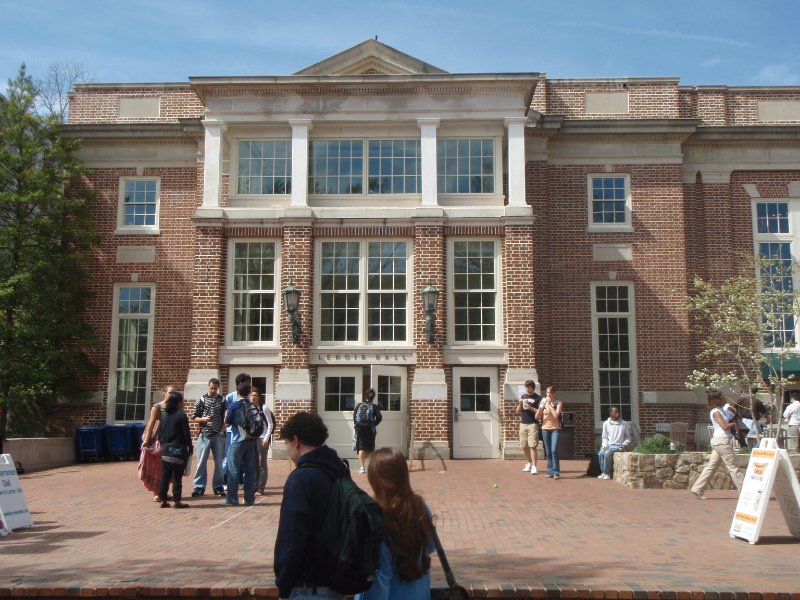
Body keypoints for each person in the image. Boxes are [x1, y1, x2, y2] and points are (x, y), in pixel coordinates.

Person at [274, 411, 349, 600]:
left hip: (307, 585)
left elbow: (292, 538)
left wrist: (283, 584)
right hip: (337, 581)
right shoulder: (339, 470)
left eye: (287, 443)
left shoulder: (300, 479)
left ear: (296, 441)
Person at [354, 447, 434, 600]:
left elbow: (379, 582)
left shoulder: (377, 519)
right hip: (419, 593)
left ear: (376, 480)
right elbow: (430, 546)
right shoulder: (420, 506)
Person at [690, 390, 745, 500]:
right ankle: (746, 492)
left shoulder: (721, 410)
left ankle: (697, 489)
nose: (724, 398)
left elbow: (732, 415)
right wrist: (735, 424)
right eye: (722, 397)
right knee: (733, 467)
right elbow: (724, 427)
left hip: (719, 442)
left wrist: (732, 410)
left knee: (711, 466)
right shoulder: (715, 412)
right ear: (717, 400)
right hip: (722, 442)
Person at [139, 385, 176, 501]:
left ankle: (164, 491)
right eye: (170, 393)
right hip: (159, 438)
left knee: (169, 465)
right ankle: (156, 492)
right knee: (158, 464)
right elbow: (151, 424)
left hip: (171, 438)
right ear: (164, 394)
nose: (172, 395)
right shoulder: (157, 407)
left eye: (174, 393)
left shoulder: (175, 407)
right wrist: (146, 440)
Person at [222, 382, 258, 506]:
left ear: (237, 392)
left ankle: (232, 499)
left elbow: (227, 422)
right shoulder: (252, 406)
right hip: (251, 441)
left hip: (237, 440)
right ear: (248, 393)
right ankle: (249, 498)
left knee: (233, 469)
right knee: (249, 470)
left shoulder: (234, 405)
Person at [190, 377, 227, 497]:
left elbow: (226, 416)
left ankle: (218, 486)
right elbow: (194, 417)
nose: (213, 391)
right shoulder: (202, 399)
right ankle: (199, 486)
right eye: (211, 388)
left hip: (217, 435)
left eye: (215, 388)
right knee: (201, 462)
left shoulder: (222, 400)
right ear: (208, 386)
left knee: (219, 463)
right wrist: (203, 419)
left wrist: (222, 430)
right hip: (204, 435)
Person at [157, 391, 192, 509]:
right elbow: (186, 434)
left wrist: (163, 444)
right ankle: (177, 501)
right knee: (177, 477)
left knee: (165, 475)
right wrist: (190, 447)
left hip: (166, 448)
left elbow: (160, 432)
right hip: (179, 449)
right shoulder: (181, 415)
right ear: (179, 402)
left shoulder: (164, 414)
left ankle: (163, 500)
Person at [222, 373, 251, 485]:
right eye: (247, 383)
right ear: (240, 383)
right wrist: (224, 428)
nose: (249, 385)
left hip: (246, 433)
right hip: (232, 432)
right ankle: (225, 480)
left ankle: (240, 480)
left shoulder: (250, 397)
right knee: (229, 456)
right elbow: (226, 414)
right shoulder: (230, 397)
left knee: (243, 457)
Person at [249, 388, 275, 495]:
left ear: (259, 397)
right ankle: (254, 486)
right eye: (251, 395)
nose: (253, 397)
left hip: (262, 438)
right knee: (254, 463)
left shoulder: (264, 408)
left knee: (261, 463)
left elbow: (270, 424)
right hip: (252, 438)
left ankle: (261, 488)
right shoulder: (249, 408)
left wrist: (266, 438)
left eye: (255, 395)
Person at [536, 385, 563, 479]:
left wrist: (549, 405)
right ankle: (550, 471)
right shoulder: (543, 403)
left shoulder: (558, 403)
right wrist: (541, 407)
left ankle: (556, 472)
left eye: (550, 392)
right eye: (547, 392)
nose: (548, 394)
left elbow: (556, 415)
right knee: (548, 452)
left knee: (554, 450)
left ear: (554, 393)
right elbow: (537, 417)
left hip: (555, 429)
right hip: (545, 429)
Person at [354, 388, 383, 474]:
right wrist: (373, 424)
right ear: (373, 397)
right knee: (371, 449)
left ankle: (362, 467)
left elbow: (355, 419)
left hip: (360, 430)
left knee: (361, 448)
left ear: (365, 396)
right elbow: (379, 418)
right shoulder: (374, 407)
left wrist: (359, 425)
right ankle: (371, 468)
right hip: (370, 430)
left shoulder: (359, 406)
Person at [597, 406, 631, 480]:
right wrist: (605, 445)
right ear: (611, 413)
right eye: (615, 412)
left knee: (607, 453)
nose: (617, 413)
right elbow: (604, 437)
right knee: (601, 453)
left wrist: (624, 444)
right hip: (609, 445)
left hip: (618, 445)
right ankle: (603, 472)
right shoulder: (606, 423)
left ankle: (607, 473)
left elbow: (628, 437)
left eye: (618, 411)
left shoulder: (623, 424)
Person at [516, 379, 541, 475]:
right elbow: (518, 412)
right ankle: (529, 463)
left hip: (533, 424)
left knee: (532, 445)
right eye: (526, 387)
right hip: (523, 423)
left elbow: (540, 412)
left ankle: (534, 466)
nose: (527, 389)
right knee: (524, 445)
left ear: (532, 387)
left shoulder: (538, 398)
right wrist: (520, 404)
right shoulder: (523, 396)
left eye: (529, 387)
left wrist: (530, 408)